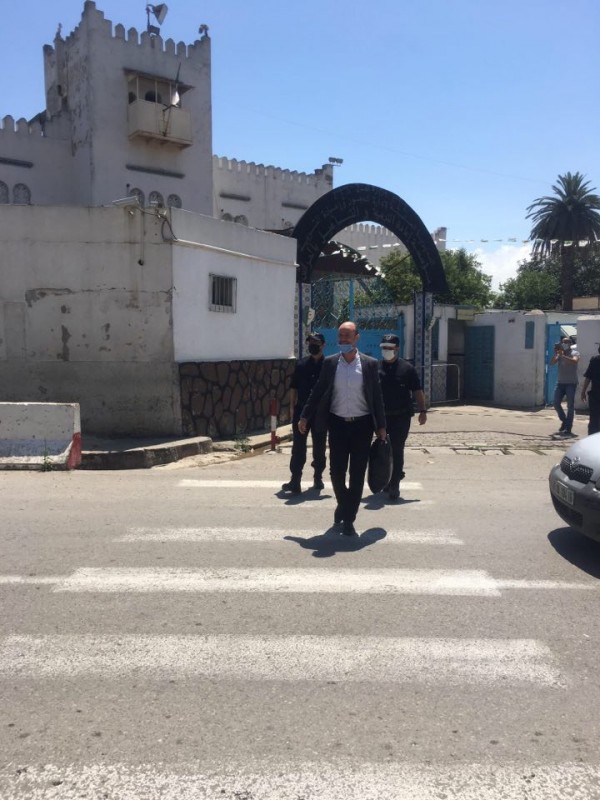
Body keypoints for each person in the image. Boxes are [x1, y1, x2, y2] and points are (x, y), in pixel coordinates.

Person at [298, 321, 386, 536]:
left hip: (362, 425)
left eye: (347, 335)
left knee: (357, 474)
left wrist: (381, 426)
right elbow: (318, 391)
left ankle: (349, 518)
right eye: (340, 336)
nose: (343, 339)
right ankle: (343, 504)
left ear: (356, 338)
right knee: (336, 472)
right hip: (337, 424)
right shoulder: (330, 363)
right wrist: (305, 416)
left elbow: (377, 397)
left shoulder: (370, 364)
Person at [378, 334, 427, 500]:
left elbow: (417, 391)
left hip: (401, 417)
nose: (386, 350)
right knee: (383, 450)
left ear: (397, 349)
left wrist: (423, 411)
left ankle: (395, 484)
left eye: (390, 348)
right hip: (382, 417)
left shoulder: (407, 369)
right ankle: (385, 479)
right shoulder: (375, 367)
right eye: (384, 347)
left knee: (397, 449)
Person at [281, 332, 327, 494]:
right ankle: (295, 480)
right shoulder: (301, 364)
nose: (312, 346)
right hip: (301, 411)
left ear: (323, 345)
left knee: (319, 447)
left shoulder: (328, 365)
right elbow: (294, 387)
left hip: (320, 412)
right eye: (310, 343)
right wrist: (292, 407)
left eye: (316, 343)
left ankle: (318, 477)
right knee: (298, 447)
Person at [550, 336, 580, 436]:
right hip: (560, 383)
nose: (564, 343)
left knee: (570, 405)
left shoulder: (575, 353)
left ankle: (568, 427)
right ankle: (564, 421)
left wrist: (563, 356)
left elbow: (575, 361)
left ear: (570, 344)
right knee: (556, 403)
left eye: (566, 342)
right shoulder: (560, 353)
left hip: (571, 383)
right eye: (563, 342)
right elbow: (552, 363)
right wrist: (557, 354)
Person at [581, 344, 600, 436]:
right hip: (595, 395)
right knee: (594, 420)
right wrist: (583, 391)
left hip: (595, 394)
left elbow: (588, 377)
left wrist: (583, 391)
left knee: (594, 420)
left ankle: (592, 438)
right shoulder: (595, 360)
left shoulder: (594, 360)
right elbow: (588, 376)